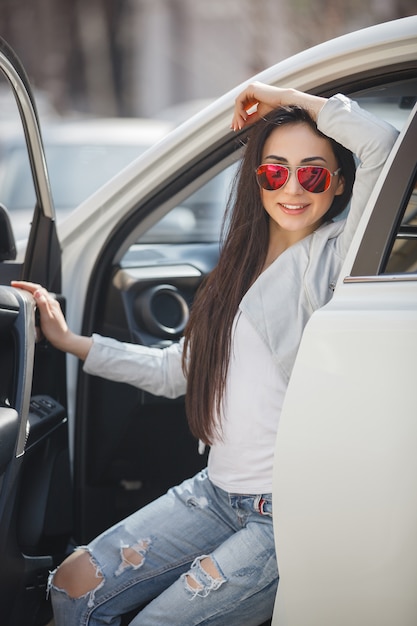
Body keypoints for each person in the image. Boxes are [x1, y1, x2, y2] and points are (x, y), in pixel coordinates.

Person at [12, 83, 398, 626]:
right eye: (275, 170)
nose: (293, 187)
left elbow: (382, 143)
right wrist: (71, 341)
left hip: (281, 516)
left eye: (312, 173)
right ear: (257, 179)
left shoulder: (333, 257)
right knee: (72, 591)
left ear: (335, 185)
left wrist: (279, 94)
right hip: (212, 494)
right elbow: (178, 371)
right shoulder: (236, 270)